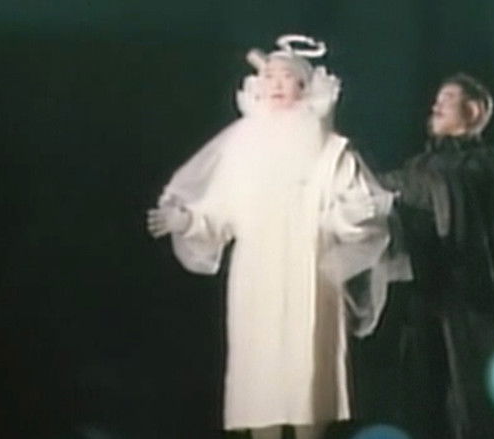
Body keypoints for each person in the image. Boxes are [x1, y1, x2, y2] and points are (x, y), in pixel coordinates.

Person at [146, 35, 408, 439]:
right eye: (269, 76)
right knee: (261, 379)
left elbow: (352, 212)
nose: (276, 84)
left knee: (308, 377)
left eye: (287, 76)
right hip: (257, 275)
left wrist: (355, 215)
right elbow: (221, 213)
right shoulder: (241, 147)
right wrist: (188, 221)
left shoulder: (330, 151)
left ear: (306, 87)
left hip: (308, 272)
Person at [368, 73, 494, 439]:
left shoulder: (484, 163)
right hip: (426, 299)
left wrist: (388, 186)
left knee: (474, 401)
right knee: (424, 398)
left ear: (473, 111)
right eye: (438, 98)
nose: (436, 105)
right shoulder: (422, 165)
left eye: (448, 98)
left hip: (472, 303)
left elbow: (442, 191)